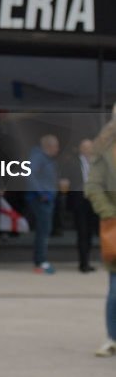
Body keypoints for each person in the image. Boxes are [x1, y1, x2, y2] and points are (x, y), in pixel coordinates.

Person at [85, 117, 116, 357]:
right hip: (115, 224)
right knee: (115, 288)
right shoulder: (105, 152)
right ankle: (112, 337)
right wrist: (109, 214)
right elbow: (93, 187)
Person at [60, 138, 99, 272]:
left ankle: (88, 259)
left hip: (94, 201)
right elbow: (64, 182)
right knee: (82, 232)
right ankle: (83, 263)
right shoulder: (72, 163)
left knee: (90, 233)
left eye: (91, 147)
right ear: (81, 149)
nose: (89, 150)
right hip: (80, 201)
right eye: (86, 147)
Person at [25, 134, 60, 274]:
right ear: (49, 146)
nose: (58, 149)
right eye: (56, 146)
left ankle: (40, 260)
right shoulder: (38, 157)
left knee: (45, 230)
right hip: (41, 200)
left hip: (47, 198)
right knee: (44, 230)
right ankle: (40, 261)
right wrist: (42, 193)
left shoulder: (46, 159)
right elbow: (29, 174)